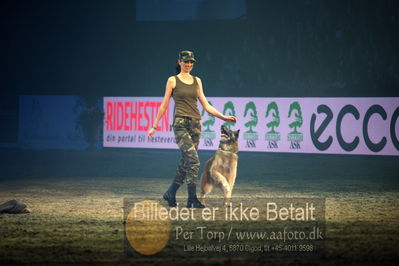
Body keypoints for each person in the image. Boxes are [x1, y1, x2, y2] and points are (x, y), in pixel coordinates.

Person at [147, 50, 236, 208]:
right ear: (179, 61)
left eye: (191, 62)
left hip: (196, 124)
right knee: (194, 161)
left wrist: (223, 117)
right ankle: (191, 199)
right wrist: (154, 125)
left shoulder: (197, 81)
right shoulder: (172, 81)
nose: (189, 64)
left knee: (186, 162)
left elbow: (206, 104)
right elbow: (164, 104)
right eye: (186, 61)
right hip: (180, 124)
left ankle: (170, 193)